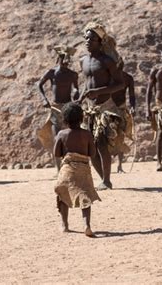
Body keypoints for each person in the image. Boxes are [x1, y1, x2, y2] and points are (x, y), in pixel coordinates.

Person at [79, 22, 125, 190]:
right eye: (86, 38)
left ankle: (107, 180)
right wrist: (80, 98)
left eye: (91, 39)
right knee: (90, 147)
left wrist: (99, 91)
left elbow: (120, 84)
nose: (87, 41)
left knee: (101, 144)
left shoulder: (107, 61)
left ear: (100, 41)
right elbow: (86, 83)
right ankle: (103, 179)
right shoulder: (83, 60)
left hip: (105, 107)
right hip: (89, 109)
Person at [54, 102, 100, 237]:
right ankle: (87, 225)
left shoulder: (62, 134)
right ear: (82, 118)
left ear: (64, 118)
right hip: (84, 169)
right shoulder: (87, 134)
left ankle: (64, 225)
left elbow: (56, 153)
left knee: (62, 193)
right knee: (85, 196)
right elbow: (93, 153)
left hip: (67, 169)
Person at [37, 46, 79, 170]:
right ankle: (58, 169)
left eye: (68, 62)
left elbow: (76, 88)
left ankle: (68, 166)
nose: (66, 64)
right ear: (59, 59)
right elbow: (39, 85)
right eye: (63, 61)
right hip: (55, 108)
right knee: (57, 137)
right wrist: (44, 99)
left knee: (70, 137)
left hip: (68, 108)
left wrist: (76, 92)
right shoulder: (52, 73)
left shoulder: (72, 74)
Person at [111, 60, 136, 173]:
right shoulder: (108, 77)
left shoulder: (128, 78)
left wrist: (132, 107)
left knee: (120, 136)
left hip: (121, 109)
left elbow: (131, 95)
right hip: (108, 109)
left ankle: (120, 165)